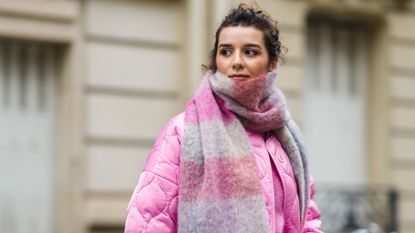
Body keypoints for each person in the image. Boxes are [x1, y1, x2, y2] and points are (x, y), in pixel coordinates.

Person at [125, 3, 322, 233]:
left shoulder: (285, 134)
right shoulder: (183, 131)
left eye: (250, 51)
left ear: (272, 63)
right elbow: (147, 223)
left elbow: (306, 219)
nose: (236, 61)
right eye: (226, 51)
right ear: (216, 61)